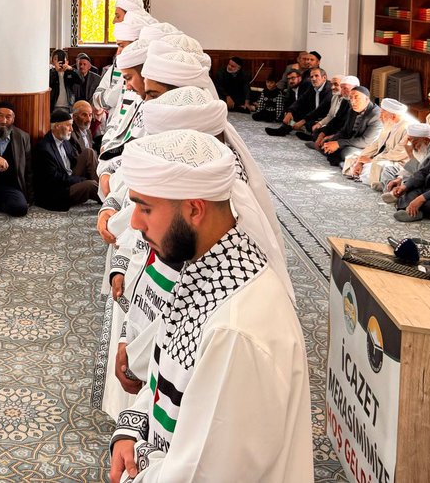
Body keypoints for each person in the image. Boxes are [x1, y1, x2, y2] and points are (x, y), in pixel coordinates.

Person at [110, 130, 312, 482]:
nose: (135, 223)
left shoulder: (235, 330)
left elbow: (199, 473)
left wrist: (135, 471)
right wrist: (132, 427)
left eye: (145, 208)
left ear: (194, 209)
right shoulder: (207, 267)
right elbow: (167, 369)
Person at [32, 107, 100, 211]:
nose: (71, 129)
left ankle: (102, 187)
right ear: (57, 126)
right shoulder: (45, 148)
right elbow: (55, 178)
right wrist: (80, 180)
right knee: (90, 185)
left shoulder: (65, 139)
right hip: (59, 189)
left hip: (69, 176)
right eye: (68, 125)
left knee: (89, 152)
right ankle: (110, 201)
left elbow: (73, 160)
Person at [345, 97, 410, 187]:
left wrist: (372, 160)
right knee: (353, 157)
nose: (380, 117)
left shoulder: (408, 129)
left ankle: (361, 175)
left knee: (376, 165)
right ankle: (360, 174)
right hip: (382, 156)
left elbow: (398, 154)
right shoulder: (390, 122)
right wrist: (361, 159)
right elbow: (375, 144)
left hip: (397, 161)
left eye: (382, 113)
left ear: (393, 116)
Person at [318, 86, 382, 167]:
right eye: (351, 98)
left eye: (356, 98)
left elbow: (365, 141)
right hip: (351, 141)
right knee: (328, 143)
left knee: (347, 152)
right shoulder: (352, 110)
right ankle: (341, 161)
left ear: (367, 99)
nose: (353, 102)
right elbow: (344, 131)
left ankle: (341, 162)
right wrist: (333, 140)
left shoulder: (376, 115)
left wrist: (338, 144)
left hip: (367, 147)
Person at [0, 101, 32, 216]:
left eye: (8, 117)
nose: (4, 121)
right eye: (0, 116)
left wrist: (29, 197)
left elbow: (28, 170)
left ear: (13, 119)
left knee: (21, 208)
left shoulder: (23, 137)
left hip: (10, 187)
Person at [265, 67, 330, 136]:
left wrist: (303, 121)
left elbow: (320, 109)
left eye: (316, 76)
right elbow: (301, 100)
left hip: (325, 117)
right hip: (313, 114)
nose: (313, 79)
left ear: (324, 77)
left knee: (309, 124)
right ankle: (283, 130)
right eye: (311, 77)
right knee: (292, 116)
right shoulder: (312, 86)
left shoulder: (329, 89)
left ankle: (311, 135)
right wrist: (290, 112)